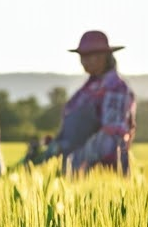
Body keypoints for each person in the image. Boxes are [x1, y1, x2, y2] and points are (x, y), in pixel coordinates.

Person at [34, 30, 136, 174]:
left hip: (101, 172)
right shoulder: (87, 89)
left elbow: (111, 136)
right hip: (75, 171)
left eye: (89, 56)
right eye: (82, 56)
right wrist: (53, 146)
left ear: (103, 56)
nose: (83, 61)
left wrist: (76, 161)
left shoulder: (115, 88)